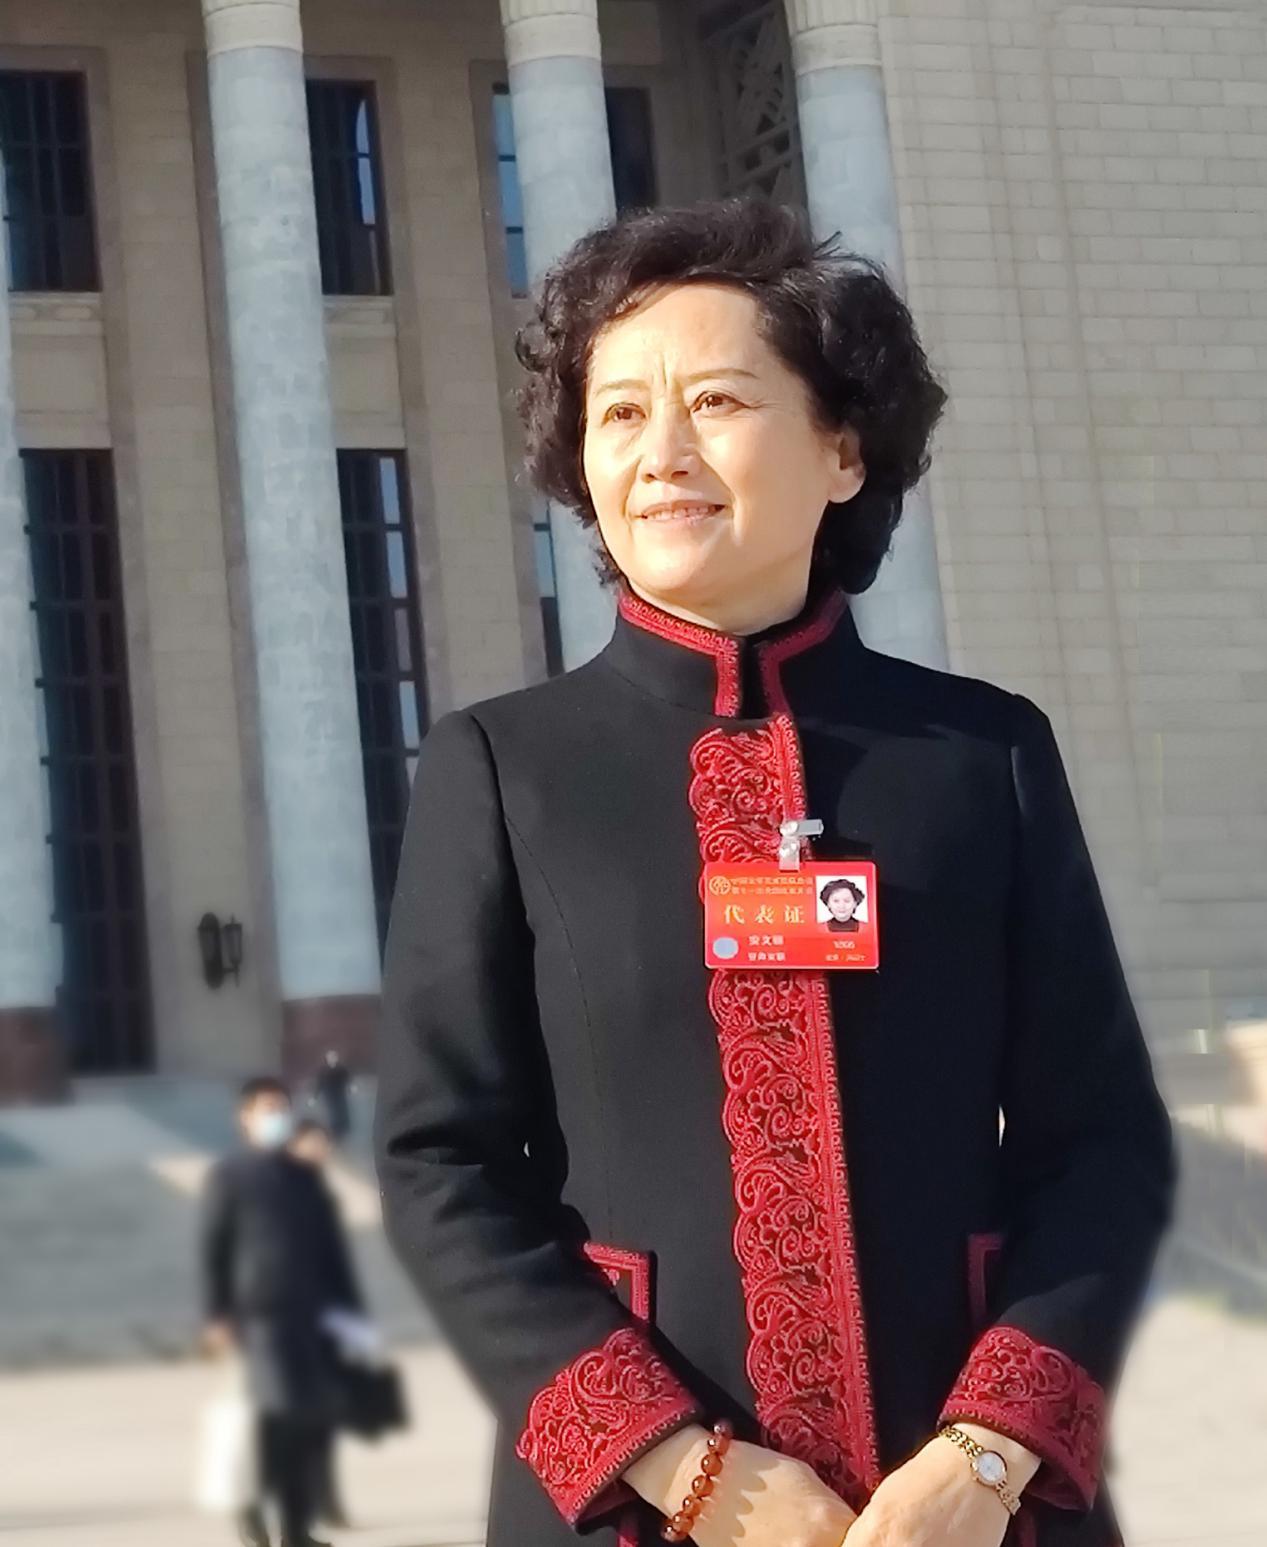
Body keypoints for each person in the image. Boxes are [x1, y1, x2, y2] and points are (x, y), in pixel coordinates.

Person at [375, 200, 1174, 1547]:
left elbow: (1099, 1141)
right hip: (637, 1513)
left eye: (716, 401)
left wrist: (985, 1456)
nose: (660, 452)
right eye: (618, 413)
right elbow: (435, 1160)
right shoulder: (504, 769)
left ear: (842, 448)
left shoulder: (979, 756)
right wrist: (678, 1463)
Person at [201, 1078, 362, 1547]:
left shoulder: (303, 1176)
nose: (279, 1116)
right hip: (259, 1315)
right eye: (269, 1108)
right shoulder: (230, 1175)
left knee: (305, 1421)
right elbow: (215, 1247)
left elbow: (330, 1249)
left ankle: (295, 1528)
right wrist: (217, 1313)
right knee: (278, 1417)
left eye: (283, 1107)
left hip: (309, 1315)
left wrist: (349, 1313)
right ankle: (255, 1510)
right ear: (245, 1117)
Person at [287, 1119, 353, 1532]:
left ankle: (326, 1500)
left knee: (324, 1421)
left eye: (323, 1144)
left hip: (324, 1326)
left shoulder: (321, 1197)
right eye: (312, 1143)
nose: (319, 1150)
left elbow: (336, 1266)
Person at [313, 1051, 352, 1144]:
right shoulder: (324, 1070)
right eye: (330, 1057)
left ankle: (342, 1131)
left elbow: (347, 1079)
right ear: (327, 1059)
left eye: (333, 1057)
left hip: (340, 1093)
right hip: (329, 1095)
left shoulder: (341, 1069)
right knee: (332, 1113)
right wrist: (315, 1097)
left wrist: (351, 1087)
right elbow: (319, 1083)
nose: (332, 1059)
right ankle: (334, 1132)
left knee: (342, 1112)